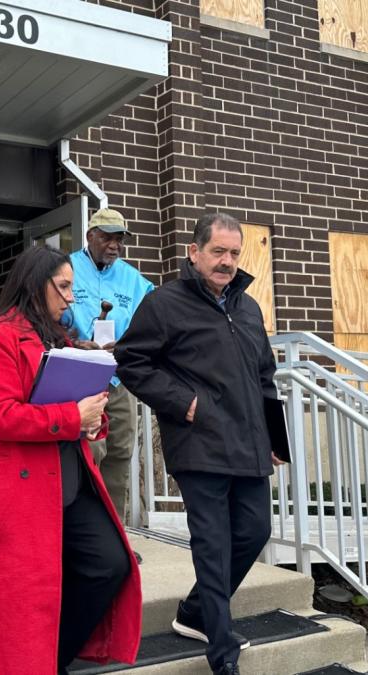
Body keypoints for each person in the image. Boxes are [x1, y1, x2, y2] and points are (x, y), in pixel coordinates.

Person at [115, 213, 285, 675]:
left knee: (253, 532)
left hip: (247, 441)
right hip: (199, 443)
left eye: (234, 253)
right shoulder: (164, 303)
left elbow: (264, 377)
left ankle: (194, 611)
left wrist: (276, 437)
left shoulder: (248, 308)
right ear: (194, 252)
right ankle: (222, 650)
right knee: (212, 543)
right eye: (218, 252)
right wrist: (184, 404)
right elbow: (131, 361)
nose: (227, 262)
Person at [0, 246, 141, 675]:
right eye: (62, 287)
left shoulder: (59, 339)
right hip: (17, 486)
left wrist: (92, 419)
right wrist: (70, 416)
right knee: (24, 591)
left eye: (71, 289)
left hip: (67, 479)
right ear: (33, 284)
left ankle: (49, 658)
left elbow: (77, 413)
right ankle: (36, 663)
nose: (69, 298)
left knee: (110, 563)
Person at [64, 207, 154, 528]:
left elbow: (154, 320)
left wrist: (134, 346)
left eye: (119, 239)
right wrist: (72, 342)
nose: (114, 245)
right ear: (90, 236)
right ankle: (84, 532)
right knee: (91, 451)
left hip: (119, 377)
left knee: (119, 451)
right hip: (81, 374)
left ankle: (113, 534)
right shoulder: (68, 268)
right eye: (107, 237)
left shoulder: (133, 279)